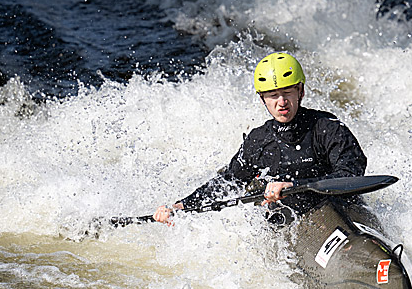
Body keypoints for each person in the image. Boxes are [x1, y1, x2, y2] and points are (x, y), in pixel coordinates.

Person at [153, 52, 367, 225]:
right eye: (273, 95)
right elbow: (229, 182)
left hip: (341, 209)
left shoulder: (327, 128)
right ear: (263, 99)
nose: (281, 102)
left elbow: (351, 171)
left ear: (300, 91)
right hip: (297, 222)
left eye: (287, 92)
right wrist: (180, 206)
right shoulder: (259, 142)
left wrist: (294, 184)